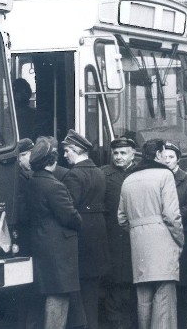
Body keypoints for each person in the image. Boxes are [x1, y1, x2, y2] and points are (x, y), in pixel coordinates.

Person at [118, 139, 184, 329]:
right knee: (164, 299)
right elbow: (172, 215)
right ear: (158, 154)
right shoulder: (165, 175)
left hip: (138, 245)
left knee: (143, 299)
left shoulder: (128, 178)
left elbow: (122, 218)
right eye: (164, 153)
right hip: (164, 242)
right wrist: (179, 240)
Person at [27, 136, 82, 329]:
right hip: (58, 248)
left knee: (49, 293)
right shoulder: (54, 186)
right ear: (53, 160)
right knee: (59, 294)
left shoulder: (32, 182)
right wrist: (79, 219)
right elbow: (70, 217)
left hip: (42, 242)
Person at [62, 131, 111, 329]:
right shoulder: (99, 172)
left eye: (66, 151)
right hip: (98, 232)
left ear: (75, 150)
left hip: (82, 235)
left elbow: (69, 208)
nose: (64, 155)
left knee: (79, 291)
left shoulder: (74, 175)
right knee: (91, 291)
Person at [100, 137, 139, 329]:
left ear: (133, 153)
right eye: (115, 153)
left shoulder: (141, 173)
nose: (118, 157)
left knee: (134, 287)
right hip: (112, 237)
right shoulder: (104, 174)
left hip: (136, 238)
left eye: (123, 153)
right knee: (113, 285)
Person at [163, 142, 187, 329]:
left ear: (178, 159)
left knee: (181, 288)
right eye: (164, 156)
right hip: (162, 237)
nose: (167, 160)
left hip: (182, 237)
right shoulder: (158, 178)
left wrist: (169, 220)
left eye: (171, 157)